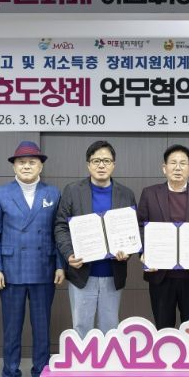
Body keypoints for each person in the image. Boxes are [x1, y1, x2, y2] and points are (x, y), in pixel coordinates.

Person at [0, 141, 65, 377]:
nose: (27, 166)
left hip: (43, 267)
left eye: (32, 162)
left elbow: (59, 233)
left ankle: (40, 376)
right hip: (11, 270)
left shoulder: (52, 193)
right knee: (12, 329)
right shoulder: (0, 194)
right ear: (14, 167)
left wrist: (60, 265)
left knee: (42, 328)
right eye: (22, 162)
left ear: (41, 165)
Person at [55, 140, 136, 337]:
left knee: (110, 329)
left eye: (106, 161)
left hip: (113, 273)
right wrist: (69, 254)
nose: (101, 165)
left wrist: (128, 252)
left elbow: (133, 231)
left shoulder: (126, 194)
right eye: (96, 160)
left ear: (113, 164)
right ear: (88, 164)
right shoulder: (72, 191)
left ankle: (107, 359)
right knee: (81, 328)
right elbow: (61, 226)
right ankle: (83, 359)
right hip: (82, 273)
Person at [137, 144, 189, 330]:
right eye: (173, 163)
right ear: (164, 168)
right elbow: (140, 225)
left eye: (183, 163)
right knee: (164, 328)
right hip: (160, 274)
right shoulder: (150, 194)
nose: (178, 168)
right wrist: (143, 252)